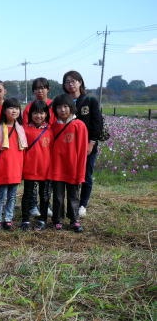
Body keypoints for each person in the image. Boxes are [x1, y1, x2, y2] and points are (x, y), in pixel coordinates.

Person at [62, 70, 103, 218]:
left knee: (86, 174)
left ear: (80, 82)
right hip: (68, 146)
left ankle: (82, 204)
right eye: (67, 82)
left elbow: (97, 124)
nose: (70, 84)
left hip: (86, 145)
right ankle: (70, 204)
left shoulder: (90, 101)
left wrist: (91, 143)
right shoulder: (63, 101)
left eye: (73, 81)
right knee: (69, 175)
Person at [49, 93, 88, 232]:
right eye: (59, 107)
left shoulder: (79, 125)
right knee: (58, 196)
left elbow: (82, 151)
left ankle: (74, 220)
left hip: (73, 168)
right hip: (57, 168)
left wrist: (80, 172)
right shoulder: (53, 127)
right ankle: (57, 219)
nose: (63, 110)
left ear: (71, 107)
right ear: (55, 110)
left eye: (66, 106)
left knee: (73, 196)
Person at [0, 98, 28, 230]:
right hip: (1, 168)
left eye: (17, 108)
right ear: (4, 110)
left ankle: (8, 218)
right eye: (11, 108)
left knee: (12, 196)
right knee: (0, 196)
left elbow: (23, 152)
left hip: (16, 168)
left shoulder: (21, 129)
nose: (14, 111)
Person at [21, 100, 53, 231]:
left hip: (45, 169)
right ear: (30, 114)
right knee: (27, 194)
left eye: (41, 113)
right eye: (35, 113)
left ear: (46, 114)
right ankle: (25, 219)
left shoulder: (50, 131)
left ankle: (43, 219)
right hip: (29, 168)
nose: (38, 116)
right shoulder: (25, 130)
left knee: (44, 195)